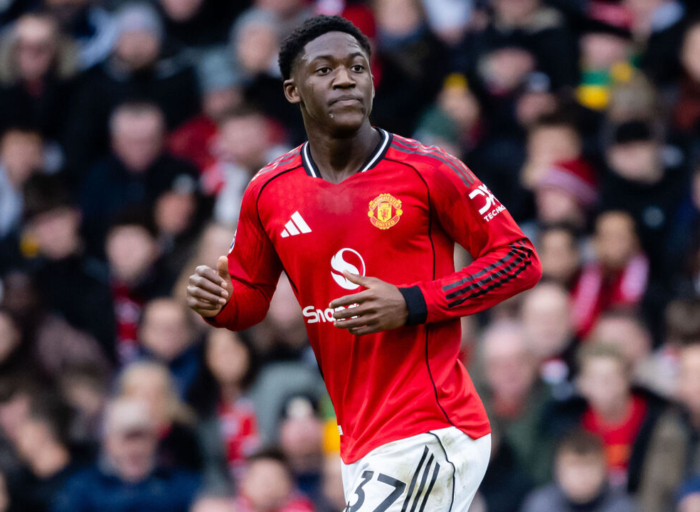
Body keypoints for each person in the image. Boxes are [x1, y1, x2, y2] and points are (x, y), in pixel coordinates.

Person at [186, 15, 542, 511]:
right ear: (293, 90)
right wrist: (221, 306)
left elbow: (520, 259)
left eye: (357, 67)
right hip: (358, 437)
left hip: (432, 425)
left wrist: (411, 302)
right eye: (325, 70)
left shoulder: (428, 170)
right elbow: (250, 300)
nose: (346, 79)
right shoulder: (268, 191)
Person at [53, 397, 200, 512]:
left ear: (154, 440)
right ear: (108, 442)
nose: (134, 448)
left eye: (140, 437)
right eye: (126, 438)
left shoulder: (179, 484)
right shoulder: (83, 488)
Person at [520, 429, 637, 512]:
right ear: (558, 471)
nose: (582, 475)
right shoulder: (539, 505)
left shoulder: (624, 507)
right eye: (573, 466)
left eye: (589, 466)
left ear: (604, 469)